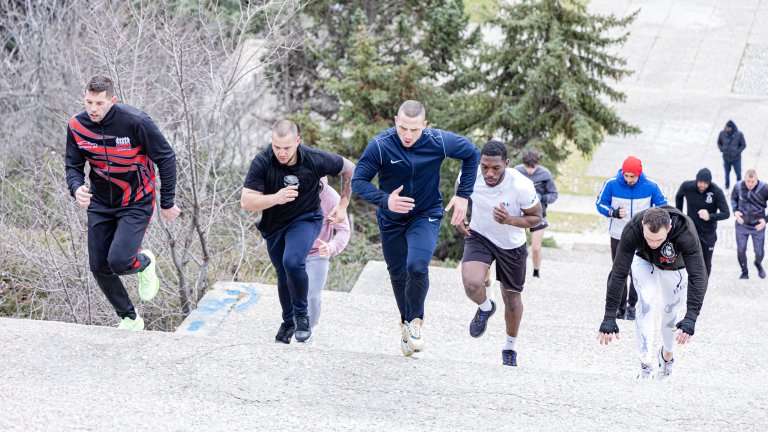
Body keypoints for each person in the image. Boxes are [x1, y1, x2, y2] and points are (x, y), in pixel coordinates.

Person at [352, 100, 480, 357]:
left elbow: (472, 153)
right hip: (391, 218)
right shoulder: (380, 145)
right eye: (402, 128)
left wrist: (463, 195)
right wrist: (385, 199)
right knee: (398, 273)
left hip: (426, 213)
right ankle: (406, 323)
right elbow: (358, 182)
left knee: (417, 266)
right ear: (395, 122)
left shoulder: (438, 141)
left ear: (425, 125)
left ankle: (416, 323)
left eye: (414, 129)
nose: (408, 135)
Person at [65, 75, 181, 331]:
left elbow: (166, 157)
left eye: (99, 103)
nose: (93, 109)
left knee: (118, 261)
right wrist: (76, 189)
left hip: (136, 200)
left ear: (112, 100)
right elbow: (73, 166)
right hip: (101, 202)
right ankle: (129, 317)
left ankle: (145, 263)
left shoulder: (135, 122)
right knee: (98, 266)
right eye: (88, 102)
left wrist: (168, 201)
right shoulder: (76, 125)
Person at [241, 119, 355, 343]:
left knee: (292, 262)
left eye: (287, 148)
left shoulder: (314, 158)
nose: (281, 153)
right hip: (274, 225)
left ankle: (302, 316)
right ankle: (287, 321)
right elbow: (246, 202)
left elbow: (351, 170)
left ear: (297, 142)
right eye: (277, 147)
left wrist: (343, 204)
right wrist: (276, 198)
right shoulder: (262, 162)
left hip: (306, 219)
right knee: (283, 274)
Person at [597, 206, 708, 380]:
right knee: (646, 304)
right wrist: (609, 316)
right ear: (643, 225)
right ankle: (645, 364)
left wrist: (691, 317)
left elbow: (698, 275)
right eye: (649, 238)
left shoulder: (685, 232)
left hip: (675, 267)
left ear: (669, 229)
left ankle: (667, 357)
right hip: (644, 261)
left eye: (658, 240)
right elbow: (618, 272)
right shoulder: (633, 229)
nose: (653, 244)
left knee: (670, 313)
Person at [459, 141, 542, 367]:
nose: (489, 173)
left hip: (511, 244)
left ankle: (510, 346)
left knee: (512, 299)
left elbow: (537, 218)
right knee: (471, 284)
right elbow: (460, 199)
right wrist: (460, 217)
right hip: (480, 235)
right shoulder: (469, 175)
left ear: (506, 164)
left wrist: (510, 220)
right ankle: (486, 307)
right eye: (485, 167)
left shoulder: (521, 185)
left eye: (496, 168)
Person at [596, 156, 666, 321]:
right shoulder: (611, 184)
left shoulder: (651, 186)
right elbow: (600, 203)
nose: (629, 180)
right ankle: (620, 307)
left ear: (639, 174)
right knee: (620, 270)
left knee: (637, 271)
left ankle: (632, 306)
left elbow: (663, 206)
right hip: (618, 235)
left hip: (642, 236)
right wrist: (612, 212)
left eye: (632, 176)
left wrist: (652, 219)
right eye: (626, 176)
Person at [306, 177, 351, 338]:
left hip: (319, 253)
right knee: (292, 291)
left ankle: (307, 330)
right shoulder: (292, 190)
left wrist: (331, 247)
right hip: (294, 251)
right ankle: (291, 322)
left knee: (312, 294)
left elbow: (344, 230)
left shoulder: (331, 197)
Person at [675, 168, 730, 276]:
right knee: (686, 259)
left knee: (705, 263)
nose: (702, 185)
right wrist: (679, 215)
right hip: (691, 231)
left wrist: (710, 216)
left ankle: (702, 288)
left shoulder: (716, 192)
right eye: (700, 182)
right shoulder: (687, 186)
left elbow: (726, 213)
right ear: (696, 180)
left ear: (709, 183)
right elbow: (679, 196)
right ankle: (686, 284)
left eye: (705, 183)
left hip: (708, 234)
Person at [514, 151, 557, 278]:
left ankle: (536, 272)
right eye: (527, 167)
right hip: (519, 213)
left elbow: (554, 195)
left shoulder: (545, 174)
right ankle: (518, 272)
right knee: (518, 247)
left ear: (537, 164)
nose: (530, 171)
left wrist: (542, 198)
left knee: (536, 248)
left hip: (538, 214)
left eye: (533, 167)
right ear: (523, 164)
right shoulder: (516, 172)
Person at [731, 169, 768, 279]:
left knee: (759, 252)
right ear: (744, 179)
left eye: (752, 181)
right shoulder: (738, 186)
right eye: (748, 181)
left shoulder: (764, 188)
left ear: (757, 179)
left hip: (758, 226)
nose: (750, 184)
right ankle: (744, 271)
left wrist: (766, 220)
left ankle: (758, 263)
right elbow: (733, 198)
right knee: (741, 249)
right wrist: (735, 211)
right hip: (742, 224)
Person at [717, 120, 747, 190]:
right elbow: (719, 142)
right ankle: (727, 187)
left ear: (731, 128)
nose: (725, 128)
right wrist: (722, 149)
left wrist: (737, 152)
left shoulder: (739, 134)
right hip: (726, 158)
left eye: (727, 127)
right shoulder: (722, 133)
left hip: (736, 159)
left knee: (738, 174)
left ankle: (739, 188)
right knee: (727, 174)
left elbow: (743, 145)